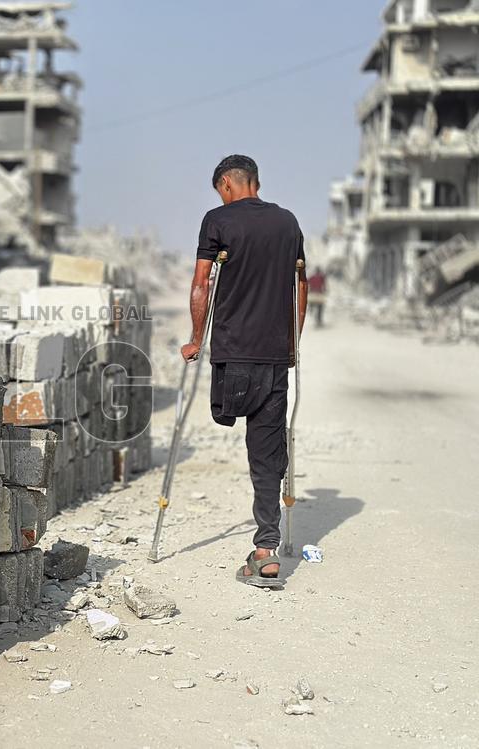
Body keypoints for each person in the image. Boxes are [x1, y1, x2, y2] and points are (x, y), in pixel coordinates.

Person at [182, 155, 307, 588]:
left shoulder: (216, 220)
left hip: (233, 357)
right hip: (275, 356)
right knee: (266, 453)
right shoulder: (288, 223)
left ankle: (264, 550)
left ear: (227, 185)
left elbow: (202, 283)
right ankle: (266, 550)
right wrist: (294, 341)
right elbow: (301, 282)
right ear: (256, 181)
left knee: (225, 414)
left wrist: (196, 339)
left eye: (220, 190)